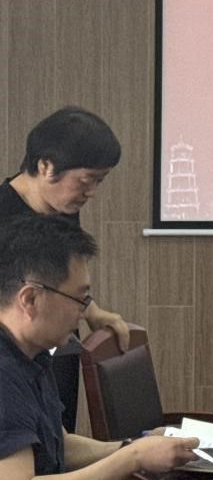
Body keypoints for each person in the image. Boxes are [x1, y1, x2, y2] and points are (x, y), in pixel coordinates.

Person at [0, 215, 199, 480]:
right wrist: (133, 458)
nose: (84, 313)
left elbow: (59, 445)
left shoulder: (31, 354)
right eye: (79, 299)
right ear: (30, 299)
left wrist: (132, 446)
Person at [1, 107, 131, 432]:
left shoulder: (61, 207)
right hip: (10, 370)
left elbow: (60, 279)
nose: (92, 192)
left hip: (55, 350)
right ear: (46, 166)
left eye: (100, 181)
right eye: (86, 181)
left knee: (59, 438)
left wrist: (92, 311)